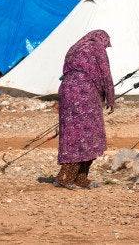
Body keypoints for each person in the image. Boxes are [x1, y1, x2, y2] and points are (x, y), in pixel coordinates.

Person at [53, 29, 115, 190]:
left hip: (66, 90)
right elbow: (105, 72)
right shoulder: (97, 47)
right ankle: (65, 177)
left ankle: (80, 178)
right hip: (84, 92)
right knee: (86, 135)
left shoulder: (75, 47)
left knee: (72, 134)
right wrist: (110, 97)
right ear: (103, 40)